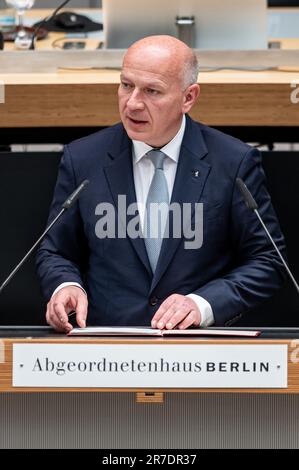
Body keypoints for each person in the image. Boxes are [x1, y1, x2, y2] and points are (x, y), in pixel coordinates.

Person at [36, 35, 286, 333]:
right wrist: (66, 285)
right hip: (106, 349)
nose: (133, 103)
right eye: (126, 85)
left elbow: (268, 259)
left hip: (198, 350)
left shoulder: (232, 162)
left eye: (152, 91)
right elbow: (55, 250)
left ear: (188, 97)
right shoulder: (83, 158)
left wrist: (201, 304)